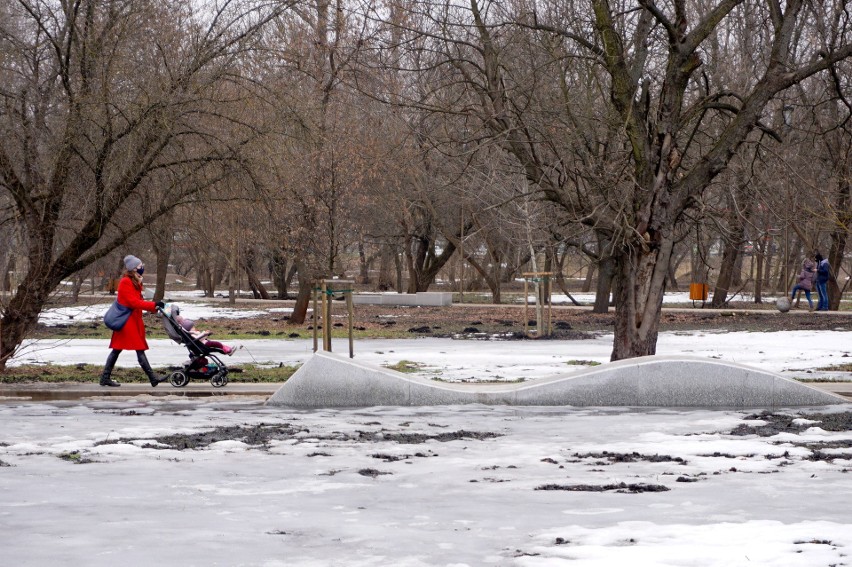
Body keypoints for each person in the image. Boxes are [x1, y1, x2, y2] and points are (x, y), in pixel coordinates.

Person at [99, 255, 167, 387]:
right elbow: (133, 302)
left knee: (118, 349)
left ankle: (105, 377)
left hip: (132, 320)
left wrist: (141, 285)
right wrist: (153, 305)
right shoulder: (125, 282)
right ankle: (153, 378)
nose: (143, 268)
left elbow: (137, 300)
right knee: (137, 348)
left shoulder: (134, 281)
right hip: (126, 321)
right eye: (140, 266)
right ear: (134, 268)